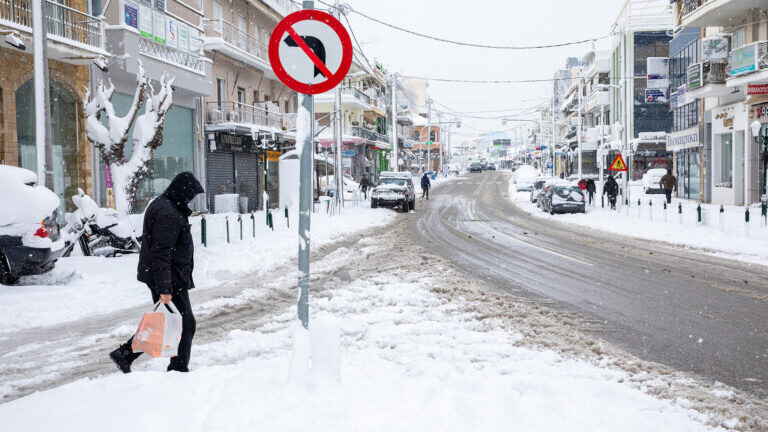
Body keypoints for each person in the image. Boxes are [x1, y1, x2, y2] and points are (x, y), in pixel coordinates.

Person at [109, 172, 205, 374]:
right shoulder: (169, 213)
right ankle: (178, 369)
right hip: (169, 278)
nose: (192, 200)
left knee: (166, 322)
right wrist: (165, 288)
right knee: (185, 324)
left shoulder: (164, 204)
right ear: (183, 192)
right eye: (191, 195)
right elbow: (161, 253)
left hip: (167, 276)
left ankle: (125, 354)